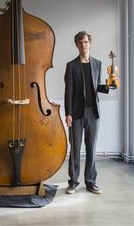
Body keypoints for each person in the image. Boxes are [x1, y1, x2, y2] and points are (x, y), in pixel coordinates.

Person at [64, 31, 109, 194]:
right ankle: (73, 182)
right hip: (75, 113)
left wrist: (109, 86)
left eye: (86, 42)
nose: (84, 45)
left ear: (89, 43)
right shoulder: (71, 65)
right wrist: (68, 113)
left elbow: (97, 86)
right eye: (80, 42)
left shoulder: (97, 63)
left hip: (93, 113)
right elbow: (68, 91)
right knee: (75, 149)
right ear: (77, 45)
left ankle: (90, 182)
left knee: (91, 148)